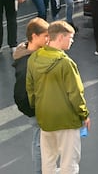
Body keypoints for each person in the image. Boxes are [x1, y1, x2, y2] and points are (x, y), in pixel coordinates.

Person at [26, 21, 89, 174]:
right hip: (66, 120)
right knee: (69, 163)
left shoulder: (34, 58)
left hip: (45, 119)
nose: (72, 41)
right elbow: (75, 93)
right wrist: (84, 114)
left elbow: (30, 88)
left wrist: (38, 108)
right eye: (70, 37)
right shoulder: (66, 63)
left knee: (48, 161)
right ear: (60, 37)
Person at [13, 18, 49, 173]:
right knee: (40, 144)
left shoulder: (28, 54)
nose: (48, 39)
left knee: (41, 142)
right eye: (45, 36)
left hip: (39, 108)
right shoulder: (28, 63)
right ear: (34, 36)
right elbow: (21, 94)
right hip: (38, 110)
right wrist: (34, 110)